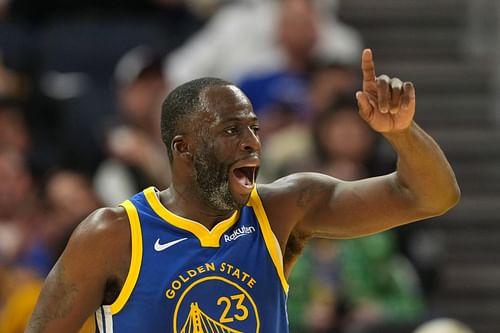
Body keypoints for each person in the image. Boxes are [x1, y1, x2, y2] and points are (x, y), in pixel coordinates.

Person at [26, 49, 460, 332]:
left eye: (254, 127)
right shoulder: (113, 234)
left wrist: (402, 133)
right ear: (184, 148)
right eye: (232, 130)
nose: (252, 141)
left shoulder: (283, 208)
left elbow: (431, 196)